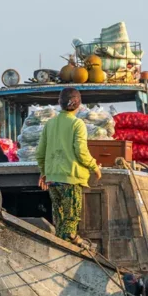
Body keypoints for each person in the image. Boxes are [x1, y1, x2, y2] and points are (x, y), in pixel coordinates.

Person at [35, 88, 102, 244]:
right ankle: (66, 249)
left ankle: (60, 247)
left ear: (59, 103)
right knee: (70, 221)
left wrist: (45, 173)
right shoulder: (77, 124)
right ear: (79, 104)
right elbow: (81, 151)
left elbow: (40, 153)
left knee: (60, 222)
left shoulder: (50, 124)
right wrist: (94, 167)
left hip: (53, 182)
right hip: (70, 181)